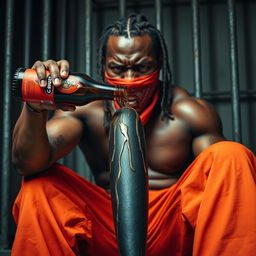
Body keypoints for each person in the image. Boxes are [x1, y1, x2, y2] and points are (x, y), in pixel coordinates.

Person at [11, 14, 256, 256]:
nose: (129, 81)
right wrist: (35, 106)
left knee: (231, 155)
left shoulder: (188, 112)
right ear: (103, 65)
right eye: (117, 68)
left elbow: (227, 187)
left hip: (172, 230)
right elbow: (27, 163)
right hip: (107, 230)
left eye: (142, 68)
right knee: (38, 185)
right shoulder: (86, 111)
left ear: (159, 64)